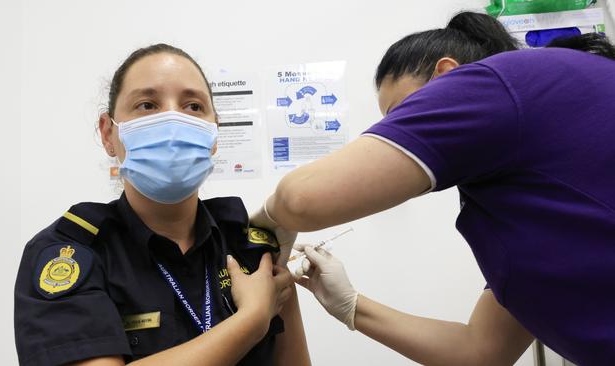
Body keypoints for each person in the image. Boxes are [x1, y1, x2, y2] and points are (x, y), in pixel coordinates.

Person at [251, 12, 615, 366]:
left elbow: (303, 198)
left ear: (448, 75)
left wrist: (269, 218)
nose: (399, 131)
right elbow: (481, 351)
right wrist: (350, 304)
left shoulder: (497, 81)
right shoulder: (515, 193)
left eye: (401, 114)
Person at [14, 44, 311, 366]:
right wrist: (252, 320)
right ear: (108, 133)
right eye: (147, 105)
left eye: (194, 106)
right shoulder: (72, 252)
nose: (173, 121)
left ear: (214, 134)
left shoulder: (250, 246)